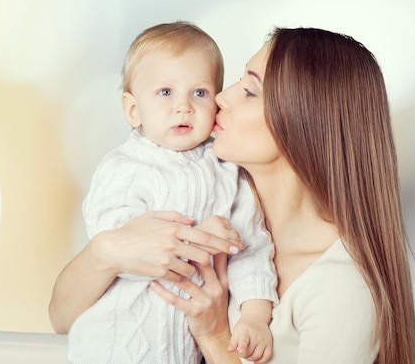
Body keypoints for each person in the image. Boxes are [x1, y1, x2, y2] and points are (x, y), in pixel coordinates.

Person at [49, 26, 415, 364]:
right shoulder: (212, 198)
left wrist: (214, 336)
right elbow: (62, 318)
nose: (220, 97)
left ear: (302, 123)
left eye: (249, 90)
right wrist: (106, 251)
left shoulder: (342, 288)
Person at [65, 21, 278, 364]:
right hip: (115, 348)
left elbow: (252, 249)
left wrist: (255, 317)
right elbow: (119, 250)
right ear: (133, 110)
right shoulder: (124, 167)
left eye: (200, 92)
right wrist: (197, 242)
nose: (184, 107)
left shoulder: (228, 170)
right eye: (166, 92)